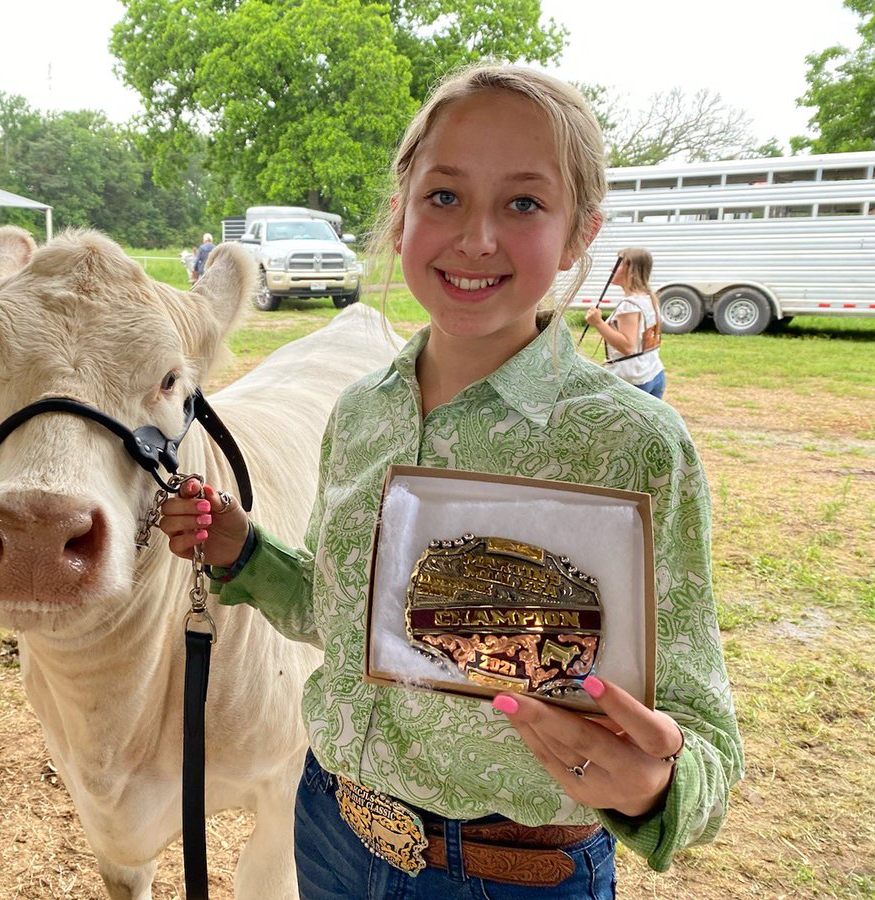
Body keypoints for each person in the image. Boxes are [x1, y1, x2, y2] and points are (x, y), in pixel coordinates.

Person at [160, 64, 742, 899]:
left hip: (513, 875)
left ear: (582, 234)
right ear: (400, 213)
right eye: (444, 197)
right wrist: (244, 551)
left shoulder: (634, 444)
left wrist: (657, 786)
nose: (476, 237)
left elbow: (708, 734)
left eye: (524, 203)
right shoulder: (361, 413)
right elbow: (352, 624)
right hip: (327, 831)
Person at [585, 248, 666, 398]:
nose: (611, 269)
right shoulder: (649, 298)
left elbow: (627, 346)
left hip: (633, 379)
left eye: (618, 265)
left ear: (630, 269)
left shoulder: (630, 305)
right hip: (654, 372)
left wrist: (598, 323)